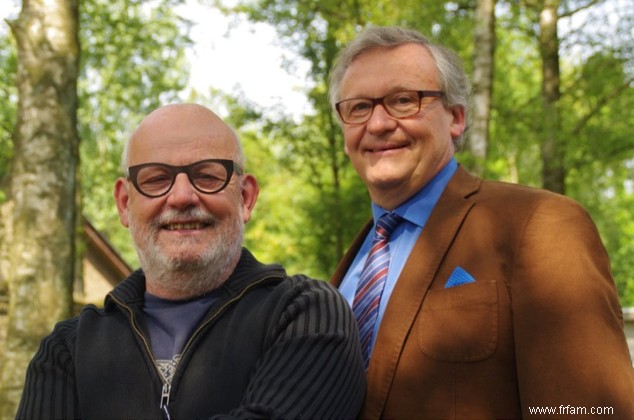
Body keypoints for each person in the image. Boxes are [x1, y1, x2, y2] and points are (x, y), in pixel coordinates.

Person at [329, 26, 634, 419]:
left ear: (456, 118)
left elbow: (590, 410)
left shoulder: (538, 224)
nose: (378, 124)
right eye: (358, 108)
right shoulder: (353, 267)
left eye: (403, 101)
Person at [17, 103, 366, 419]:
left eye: (207, 176)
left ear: (245, 197)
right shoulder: (68, 351)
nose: (182, 197)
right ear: (125, 203)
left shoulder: (308, 315)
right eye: (156, 179)